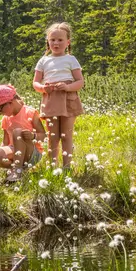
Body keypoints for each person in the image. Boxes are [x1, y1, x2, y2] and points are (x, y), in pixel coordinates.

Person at [33, 22, 84, 169]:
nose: (56, 43)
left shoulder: (71, 59)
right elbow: (35, 83)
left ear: (68, 42)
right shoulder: (43, 61)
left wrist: (68, 87)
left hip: (69, 99)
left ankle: (67, 167)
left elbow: (80, 81)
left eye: (60, 40)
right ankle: (52, 166)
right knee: (53, 136)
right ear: (48, 42)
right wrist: (43, 88)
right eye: (52, 39)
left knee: (66, 135)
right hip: (51, 99)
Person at [0, 84, 46, 183]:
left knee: (18, 132)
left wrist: (33, 136)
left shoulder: (30, 113)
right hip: (14, 151)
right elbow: (5, 143)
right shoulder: (6, 119)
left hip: (31, 153)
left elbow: (43, 136)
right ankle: (17, 169)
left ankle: (17, 171)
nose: (0, 113)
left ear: (10, 102)